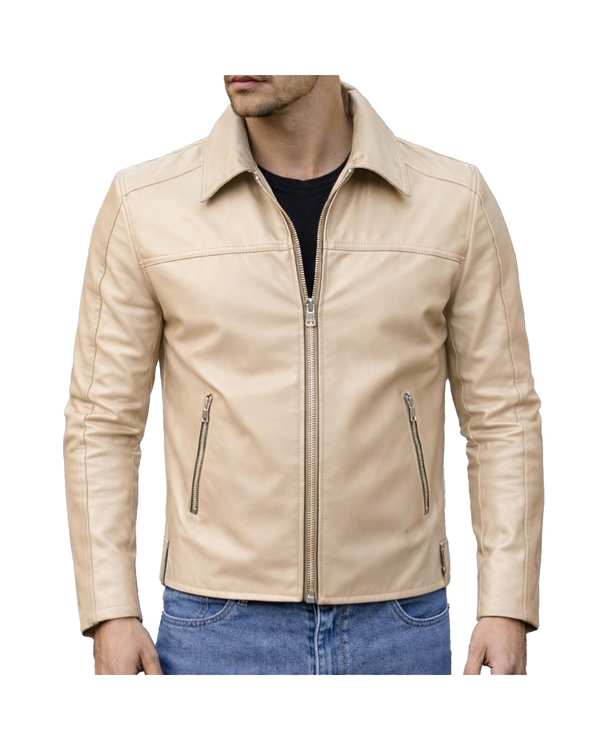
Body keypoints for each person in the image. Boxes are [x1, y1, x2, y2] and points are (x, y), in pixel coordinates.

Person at [63, 75, 544, 675]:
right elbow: (102, 422)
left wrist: (506, 604)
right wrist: (110, 609)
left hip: (399, 622)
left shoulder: (452, 201)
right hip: (215, 624)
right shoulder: (147, 205)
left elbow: (503, 417)